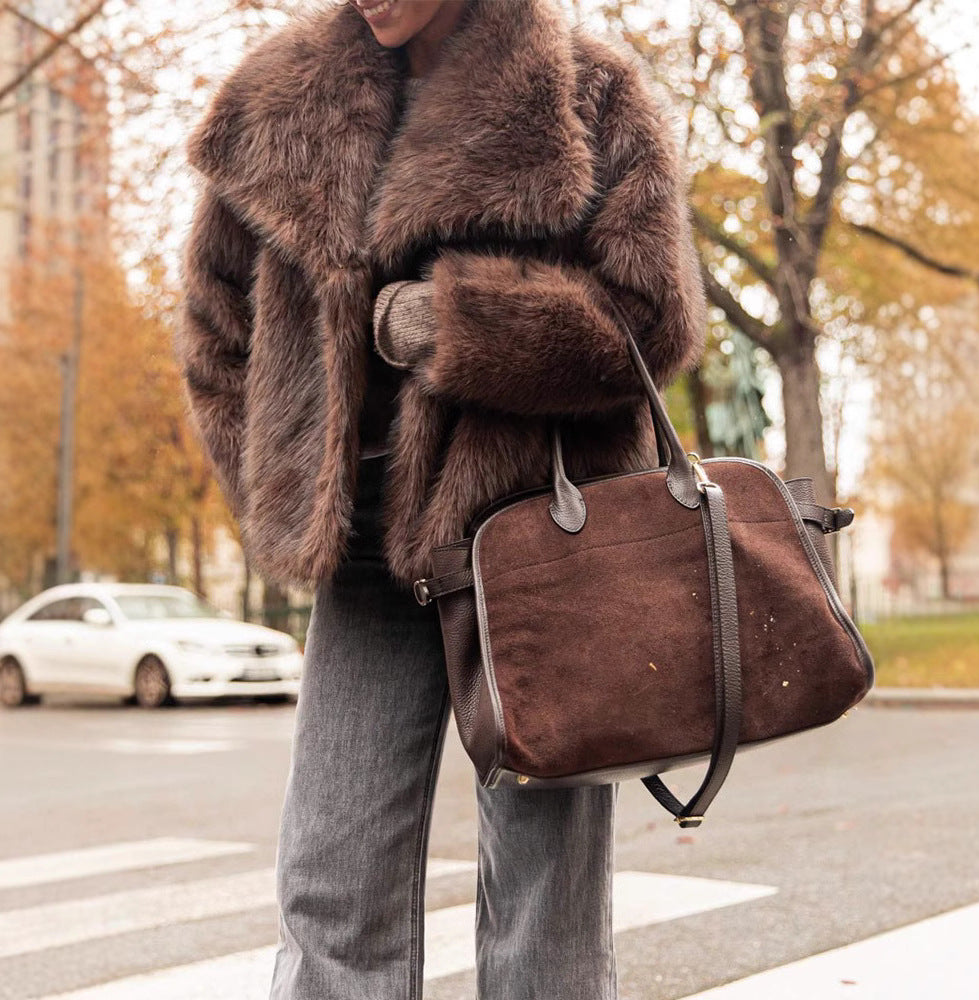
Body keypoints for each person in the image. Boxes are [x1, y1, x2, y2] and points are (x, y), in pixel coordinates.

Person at [175, 0, 706, 996]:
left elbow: (652, 321)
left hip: (542, 550)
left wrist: (460, 324)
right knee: (331, 889)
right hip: (364, 560)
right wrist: (280, 489)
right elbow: (215, 335)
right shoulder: (277, 105)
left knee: (547, 911)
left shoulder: (589, 97)